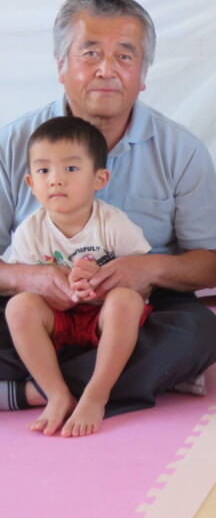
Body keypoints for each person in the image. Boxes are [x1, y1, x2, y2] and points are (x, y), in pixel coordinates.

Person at [0, 0, 216, 417]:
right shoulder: (12, 145)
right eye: (90, 53)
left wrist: (148, 268)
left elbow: (209, 266)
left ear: (143, 74)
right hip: (37, 311)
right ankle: (132, 379)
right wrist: (32, 279)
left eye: (125, 56)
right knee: (19, 314)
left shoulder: (182, 150)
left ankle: (29, 391)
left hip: (136, 309)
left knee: (201, 333)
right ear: (60, 65)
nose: (107, 70)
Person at [6, 117, 155, 437]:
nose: (56, 180)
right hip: (58, 320)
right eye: (44, 171)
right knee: (18, 307)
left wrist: (103, 279)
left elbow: (144, 279)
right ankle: (56, 393)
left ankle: (96, 394)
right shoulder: (30, 231)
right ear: (31, 183)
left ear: (99, 178)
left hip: (104, 321)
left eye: (71, 169)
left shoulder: (113, 223)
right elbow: (22, 283)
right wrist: (44, 282)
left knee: (126, 300)